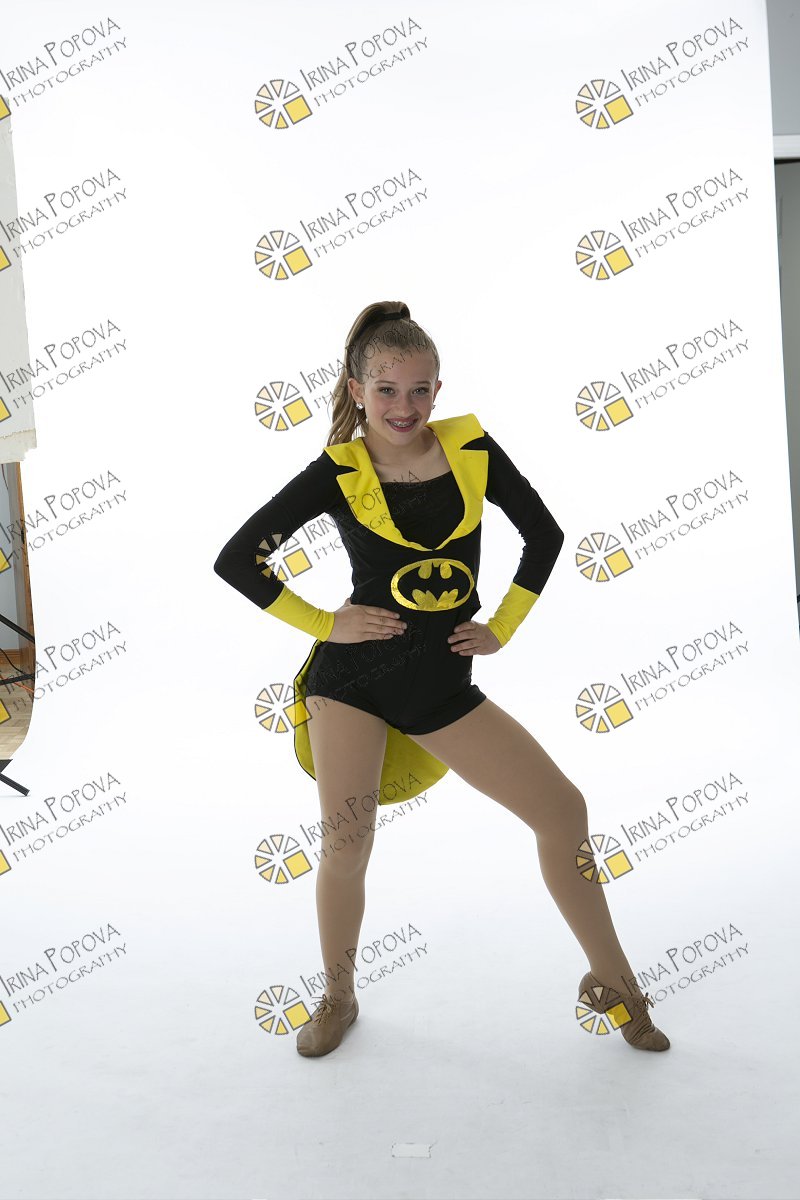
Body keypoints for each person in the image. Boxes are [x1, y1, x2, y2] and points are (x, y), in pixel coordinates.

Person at [213, 300, 670, 1058]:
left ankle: (614, 982)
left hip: (440, 687)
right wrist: (325, 623)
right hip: (351, 685)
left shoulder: (471, 451)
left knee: (563, 812)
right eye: (387, 389)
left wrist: (502, 626)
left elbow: (545, 535)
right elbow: (238, 560)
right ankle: (337, 995)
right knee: (347, 845)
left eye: (421, 389)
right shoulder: (339, 472)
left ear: (438, 389)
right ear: (357, 390)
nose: (405, 406)